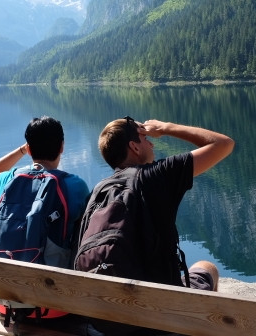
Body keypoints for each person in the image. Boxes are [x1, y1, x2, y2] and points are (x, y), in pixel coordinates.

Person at [89, 116, 234, 291]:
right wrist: (166, 128)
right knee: (207, 267)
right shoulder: (157, 175)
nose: (152, 145)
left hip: (105, 308)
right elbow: (223, 144)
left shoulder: (98, 191)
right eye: (146, 139)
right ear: (134, 147)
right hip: (162, 306)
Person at [0, 116, 90, 318]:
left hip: (4, 301)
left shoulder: (10, 179)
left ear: (29, 149)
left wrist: (22, 151)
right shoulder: (75, 186)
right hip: (56, 306)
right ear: (62, 147)